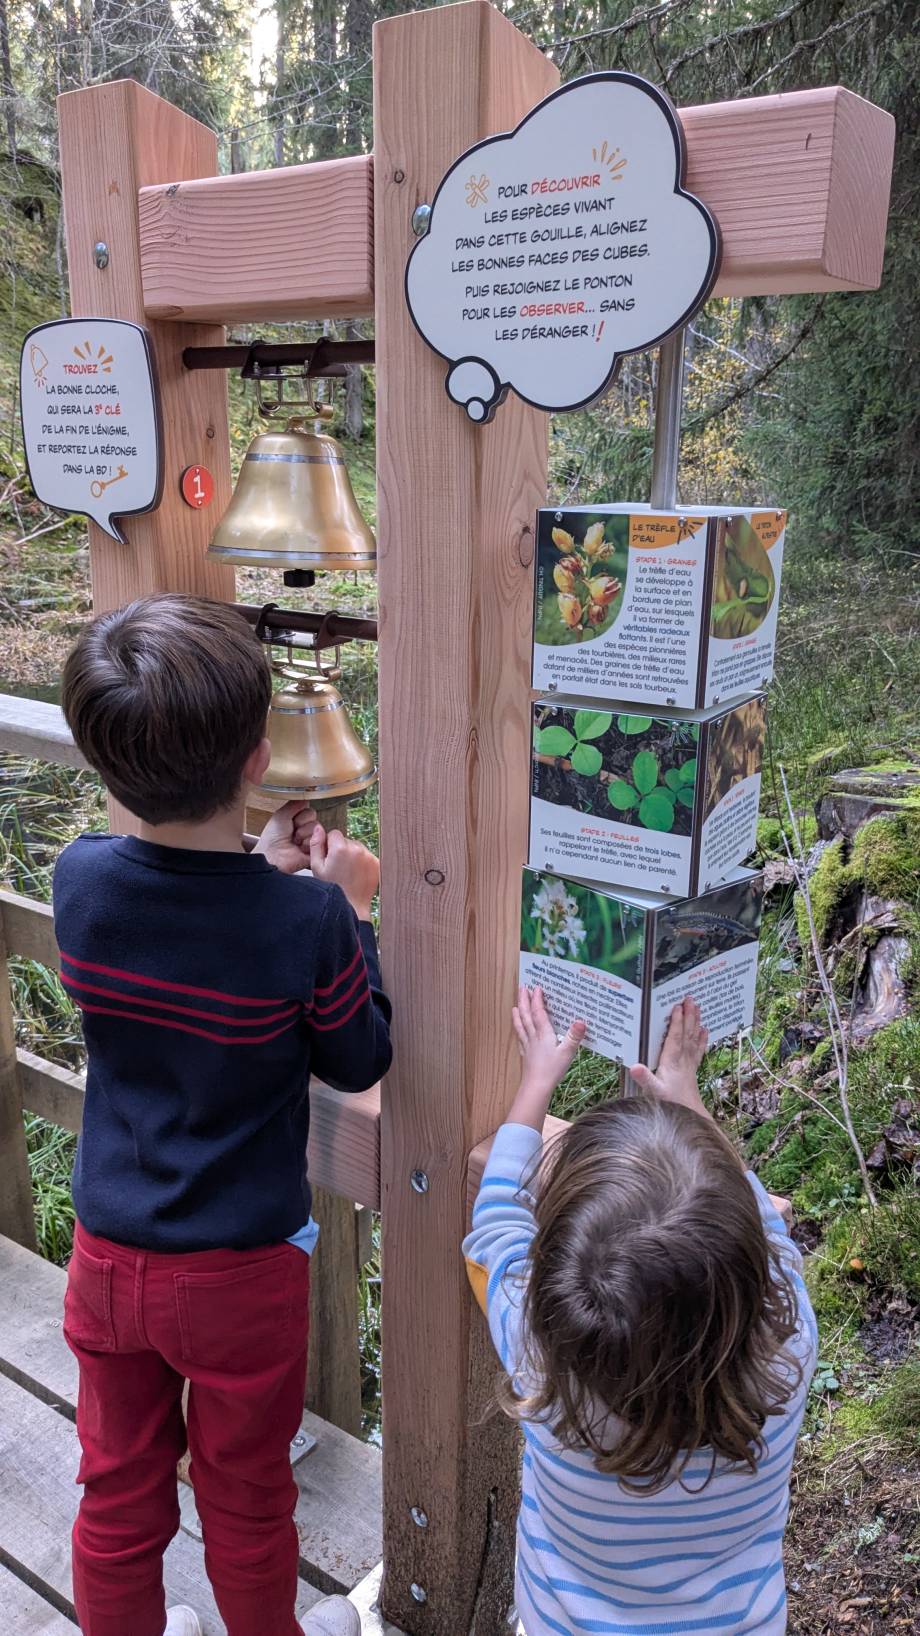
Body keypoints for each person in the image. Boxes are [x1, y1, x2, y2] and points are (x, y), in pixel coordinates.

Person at [54, 594, 391, 1636]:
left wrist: (266, 875)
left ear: (103, 763)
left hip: (108, 1260)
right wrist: (355, 909)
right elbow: (360, 1053)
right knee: (246, 1496)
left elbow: (184, 923)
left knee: (116, 1489)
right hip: (241, 1272)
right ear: (258, 758)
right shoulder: (307, 920)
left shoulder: (80, 881)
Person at [464, 989, 817, 1636]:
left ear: (557, 1284)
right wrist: (686, 1095)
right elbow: (768, 1232)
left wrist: (537, 1080)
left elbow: (494, 1227)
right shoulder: (784, 1354)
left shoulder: (544, 1375)